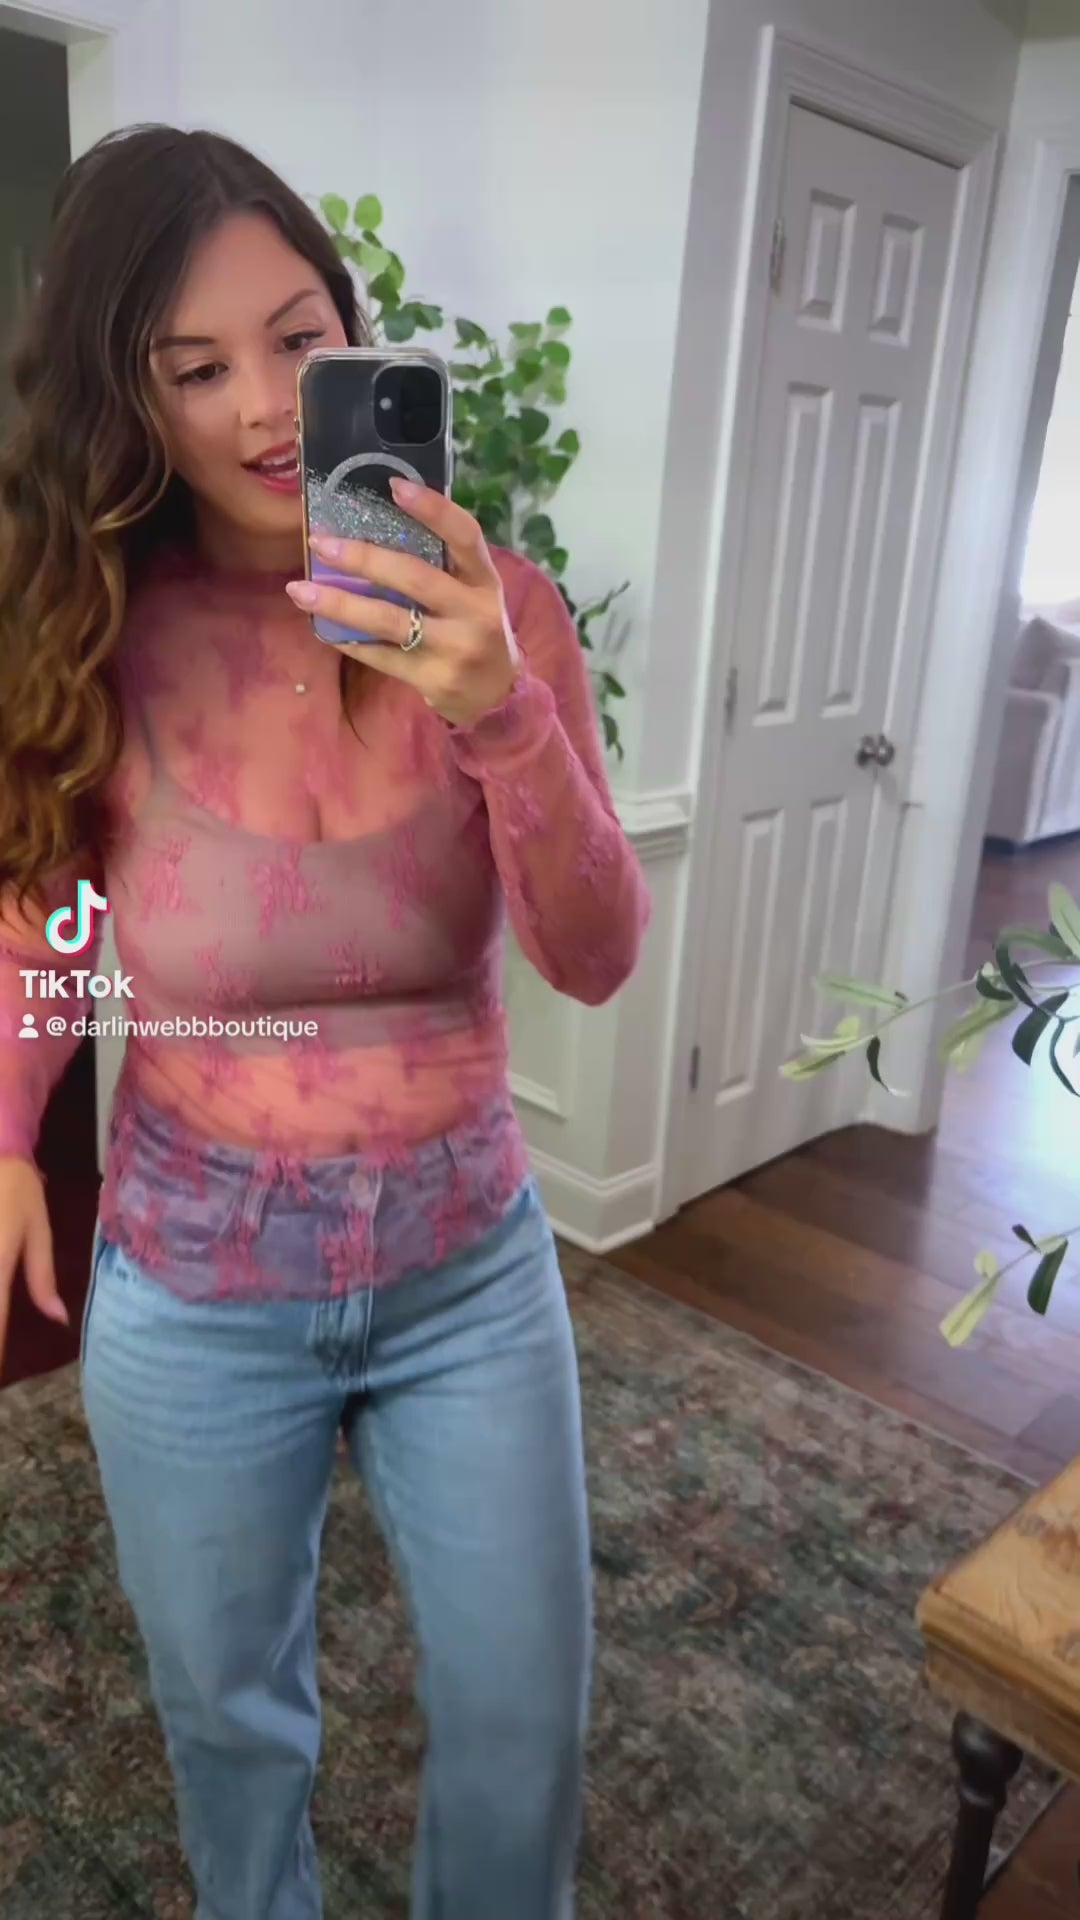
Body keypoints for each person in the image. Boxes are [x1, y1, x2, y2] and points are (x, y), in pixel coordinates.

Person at [0, 124, 649, 1919]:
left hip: (469, 1266)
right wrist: (7, 1136)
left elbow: (596, 955)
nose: (270, 407)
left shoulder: (500, 618)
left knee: (523, 1720)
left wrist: (501, 711)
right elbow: (41, 914)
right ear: (131, 402)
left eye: (299, 340)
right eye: (195, 368)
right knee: (231, 1722)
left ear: (356, 334)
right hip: (195, 1281)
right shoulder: (94, 630)